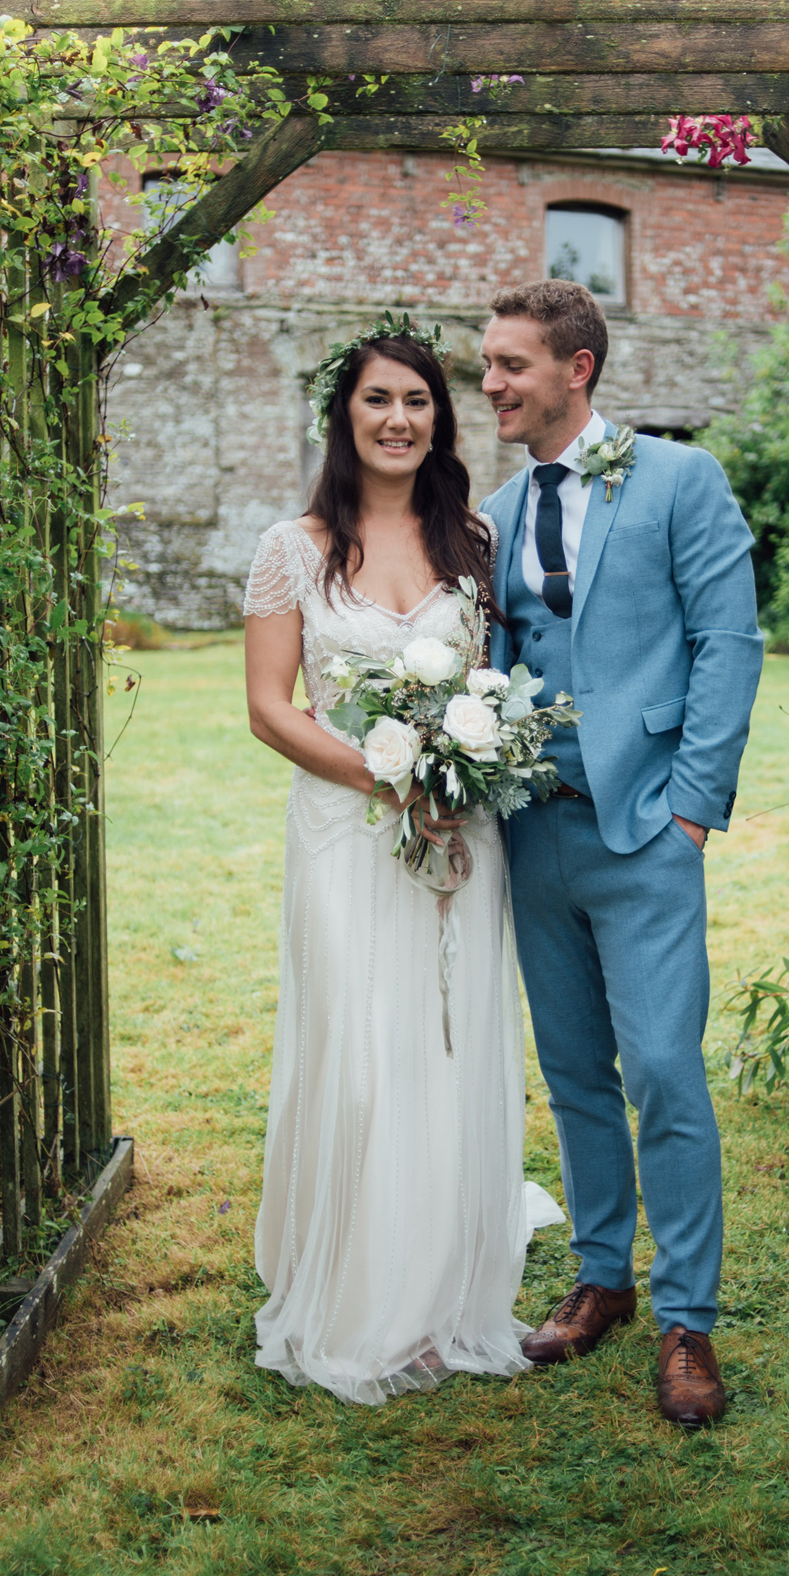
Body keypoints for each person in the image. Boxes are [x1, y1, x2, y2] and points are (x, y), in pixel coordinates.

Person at [243, 315, 560, 1406]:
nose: (398, 419)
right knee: (362, 1055)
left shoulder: (469, 538)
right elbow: (269, 710)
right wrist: (390, 782)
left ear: (441, 418)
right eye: (378, 399)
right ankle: (351, 1286)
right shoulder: (292, 549)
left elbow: (478, 690)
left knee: (447, 1044)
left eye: (418, 401)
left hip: (456, 841)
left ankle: (436, 1292)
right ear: (346, 415)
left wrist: (453, 778)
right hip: (348, 832)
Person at [479, 279, 763, 1428]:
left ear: (576, 369)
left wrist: (691, 810)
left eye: (510, 365)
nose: (490, 383)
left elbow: (729, 643)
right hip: (532, 831)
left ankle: (688, 1316)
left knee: (663, 1070)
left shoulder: (680, 480)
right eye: (488, 364)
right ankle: (602, 1277)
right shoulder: (494, 511)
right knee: (577, 1072)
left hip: (645, 827)